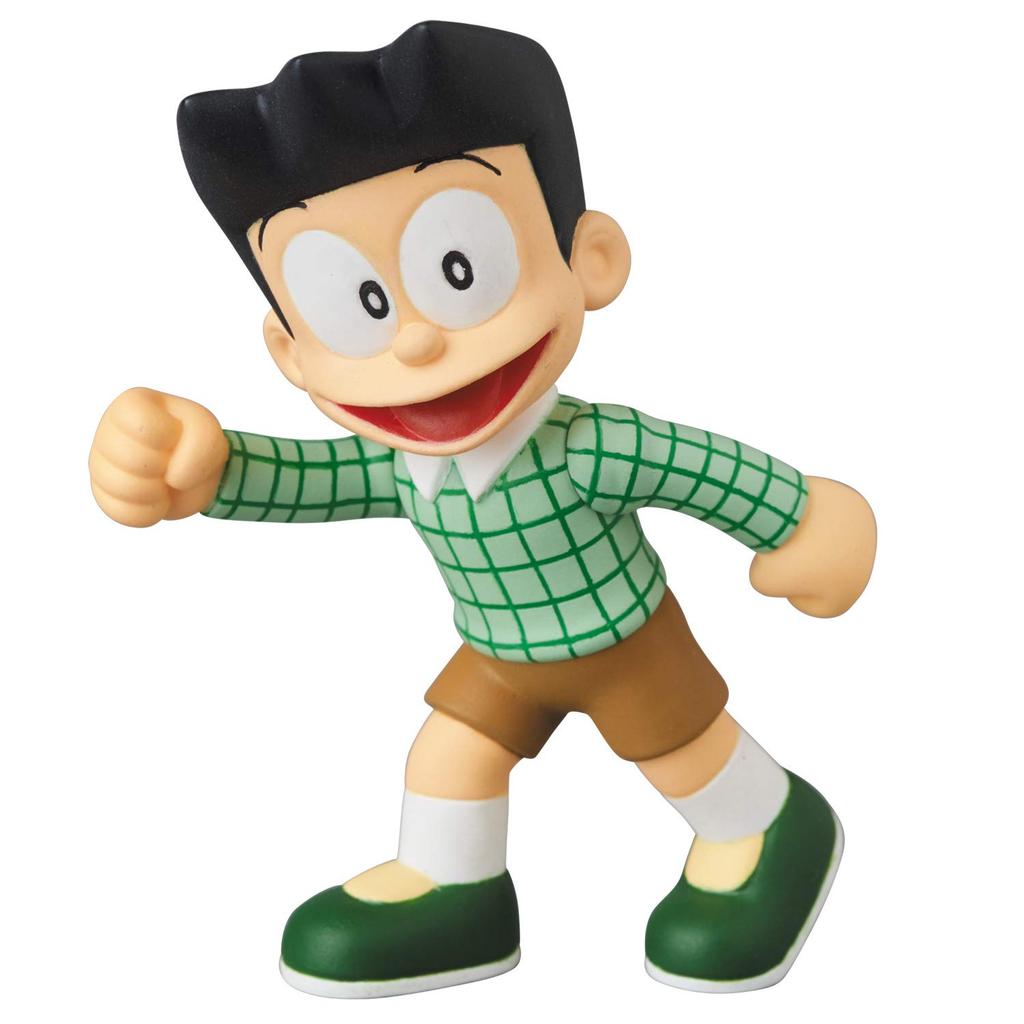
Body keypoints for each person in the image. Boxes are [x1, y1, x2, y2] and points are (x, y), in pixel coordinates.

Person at [89, 20, 876, 997]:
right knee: (446, 757)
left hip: (623, 640)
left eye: (459, 270)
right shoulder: (401, 464)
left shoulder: (590, 446)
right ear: (290, 349)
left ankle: (769, 823)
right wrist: (203, 473)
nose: (416, 345)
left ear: (590, 259)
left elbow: (698, 467)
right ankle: (453, 891)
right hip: (498, 652)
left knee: (683, 755)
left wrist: (801, 517)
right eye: (356, 305)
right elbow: (307, 479)